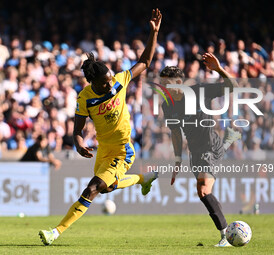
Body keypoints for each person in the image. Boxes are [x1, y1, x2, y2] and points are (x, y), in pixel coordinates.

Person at [39, 8, 162, 246]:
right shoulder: (85, 99)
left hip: (122, 150)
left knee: (93, 188)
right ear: (92, 82)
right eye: (104, 83)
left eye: (109, 80)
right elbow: (77, 131)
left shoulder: (118, 81)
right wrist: (80, 144)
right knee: (107, 188)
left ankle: (55, 232)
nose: (110, 84)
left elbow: (145, 62)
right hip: (103, 150)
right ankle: (142, 179)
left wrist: (153, 33)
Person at [160, 53, 241, 247]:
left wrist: (220, 70)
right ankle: (228, 141)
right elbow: (176, 133)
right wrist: (178, 159)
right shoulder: (167, 105)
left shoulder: (198, 91)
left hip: (209, 147)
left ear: (178, 82)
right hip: (195, 152)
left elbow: (234, 88)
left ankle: (226, 236)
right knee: (201, 191)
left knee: (204, 190)